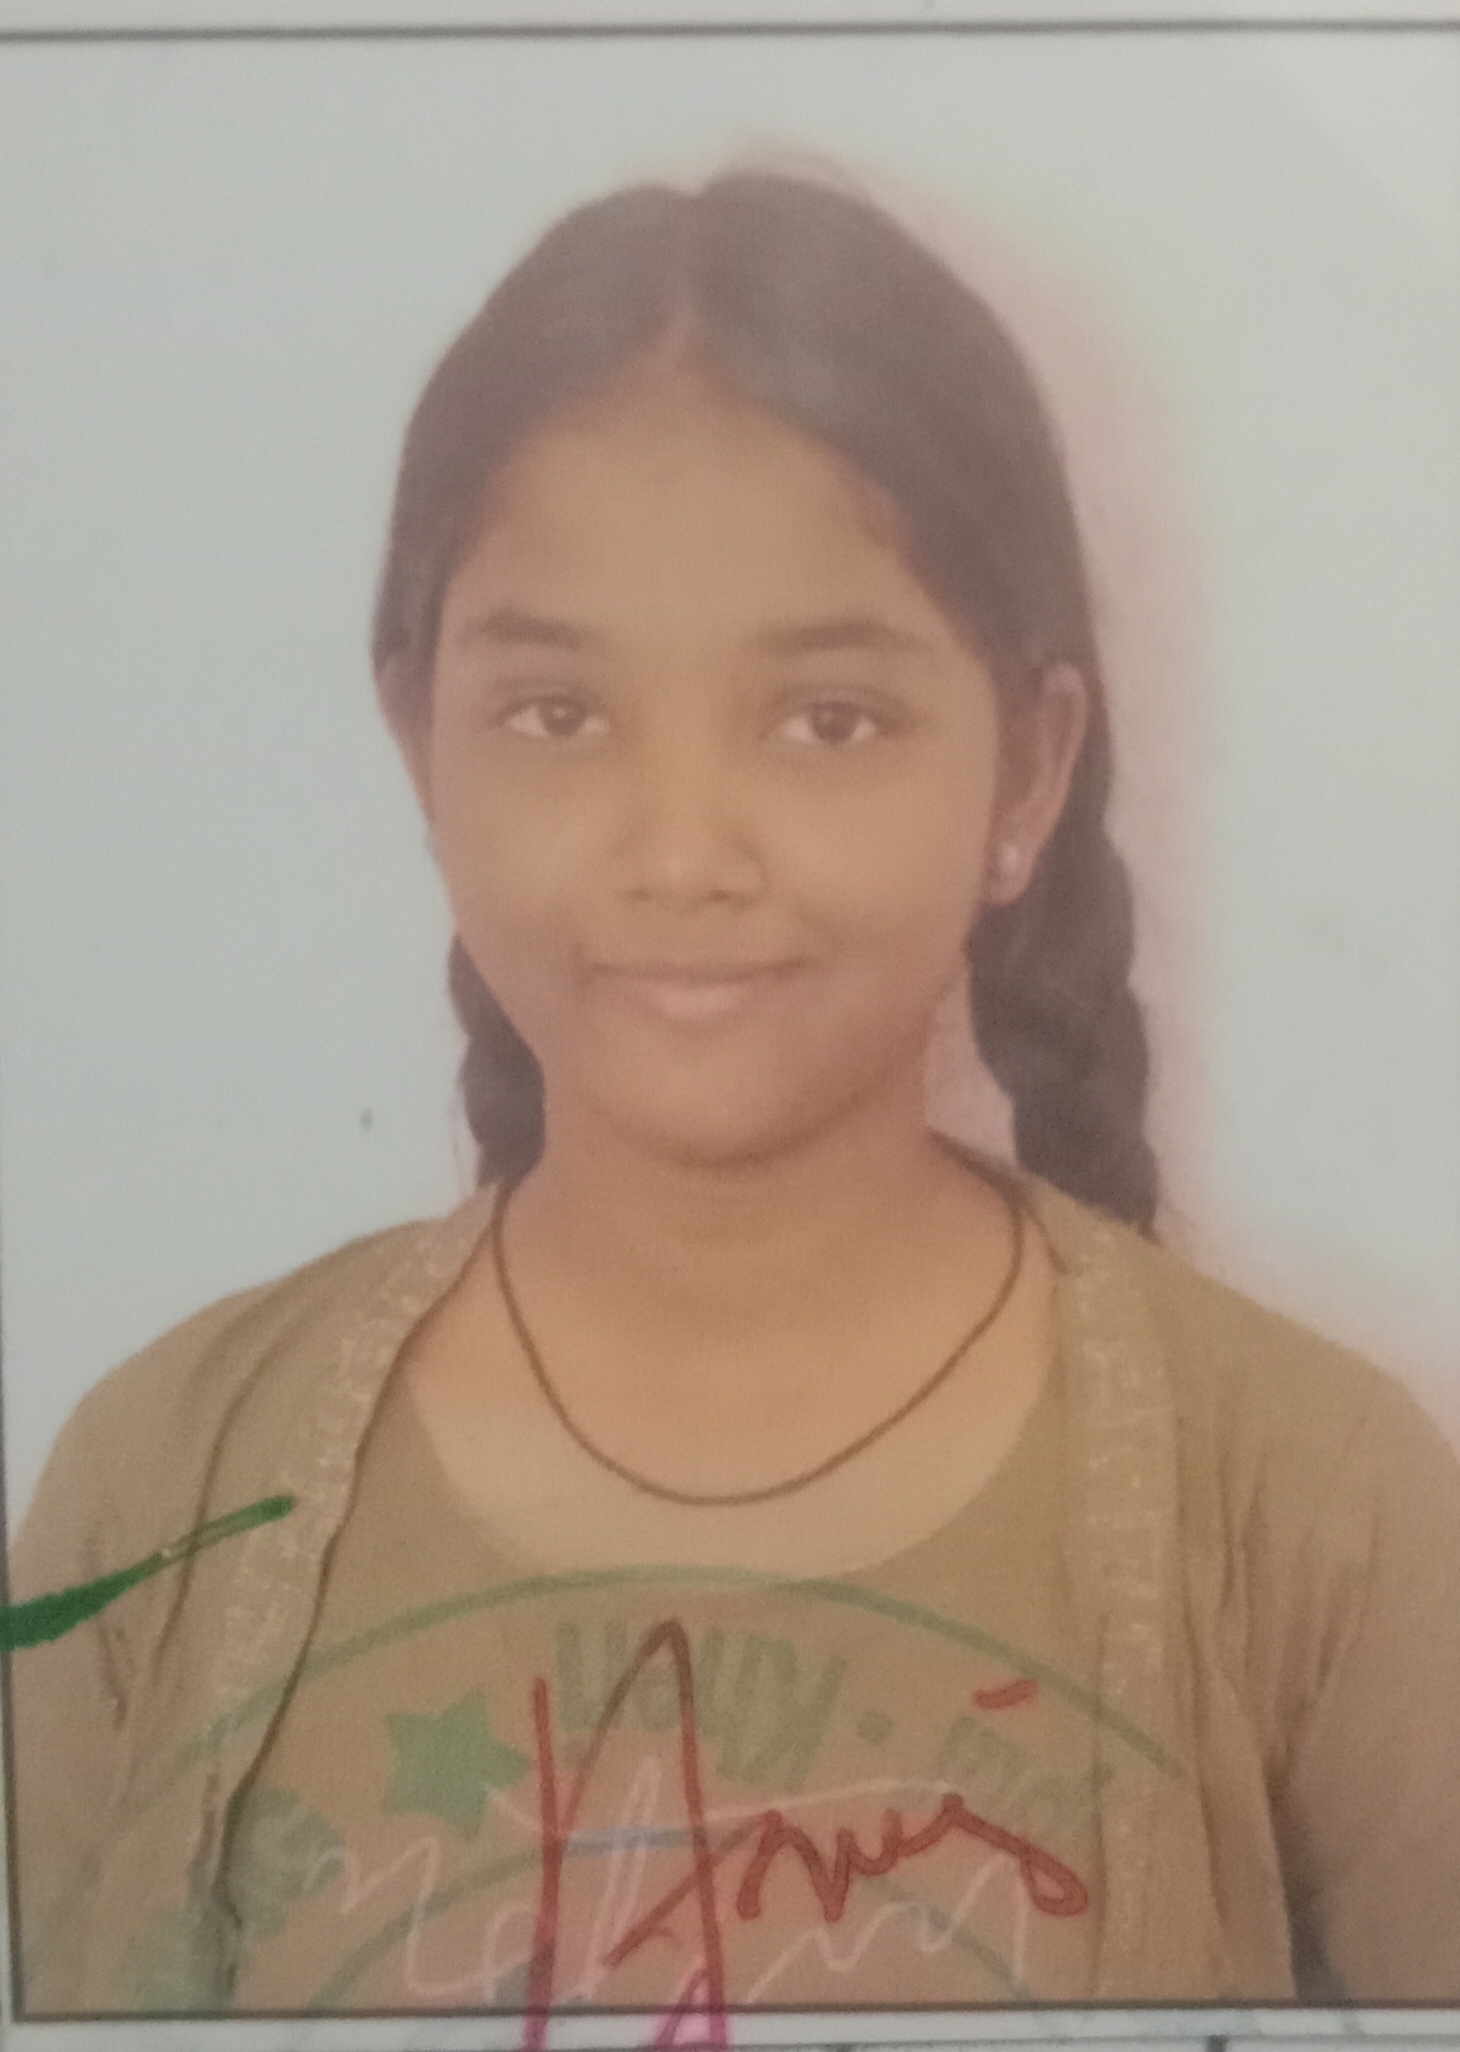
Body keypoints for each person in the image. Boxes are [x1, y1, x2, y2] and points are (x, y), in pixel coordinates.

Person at [7, 167, 1459, 2023]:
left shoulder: (1319, 1516)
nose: (683, 852)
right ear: (422, 746)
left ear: (1027, 774)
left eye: (826, 720)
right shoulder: (162, 1496)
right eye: (559, 713)